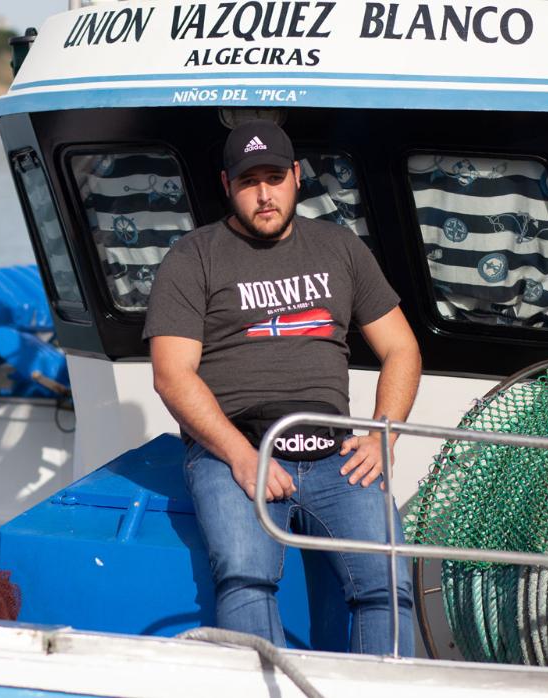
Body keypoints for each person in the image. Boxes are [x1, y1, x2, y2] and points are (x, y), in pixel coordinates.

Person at [144, 119, 421, 655]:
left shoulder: (341, 249)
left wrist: (382, 437)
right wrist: (242, 456)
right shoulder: (191, 256)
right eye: (250, 181)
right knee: (247, 578)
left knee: (387, 582)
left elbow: (401, 349)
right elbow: (171, 374)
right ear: (227, 185)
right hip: (235, 452)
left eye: (275, 177)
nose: (264, 194)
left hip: (334, 455)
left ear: (297, 176)